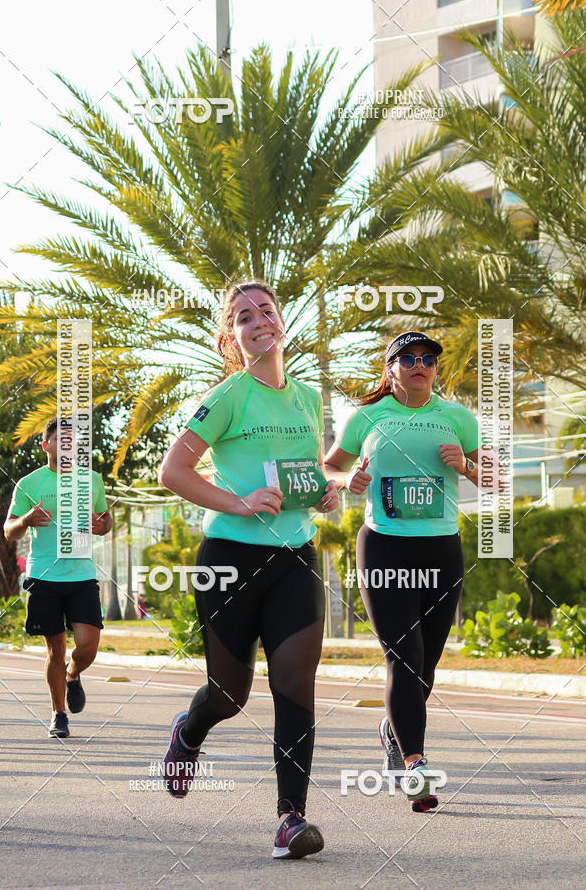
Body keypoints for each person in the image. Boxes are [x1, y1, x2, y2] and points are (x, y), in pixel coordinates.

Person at [158, 280, 338, 859]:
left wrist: (324, 492)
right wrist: (238, 503)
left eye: (266, 310)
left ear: (281, 321)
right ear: (230, 338)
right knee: (228, 695)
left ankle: (291, 818)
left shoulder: (307, 398)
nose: (258, 320)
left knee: (295, 681)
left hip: (296, 558)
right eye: (243, 316)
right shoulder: (229, 395)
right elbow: (173, 471)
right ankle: (189, 732)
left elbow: (304, 474)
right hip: (230, 561)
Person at [324, 331, 484, 812]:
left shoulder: (457, 418)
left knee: (426, 664)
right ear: (390, 368)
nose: (420, 364)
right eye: (409, 358)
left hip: (441, 549)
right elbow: (327, 469)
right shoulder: (366, 417)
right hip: (384, 548)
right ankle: (416, 765)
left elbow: (496, 476)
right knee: (404, 656)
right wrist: (346, 479)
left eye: (428, 359)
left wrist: (467, 466)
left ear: (436, 369)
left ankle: (392, 730)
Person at [4, 418, 112, 738]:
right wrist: (26, 519)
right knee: (56, 648)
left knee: (88, 645)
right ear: (45, 445)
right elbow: (9, 531)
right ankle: (58, 714)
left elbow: (106, 520)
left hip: (81, 574)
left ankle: (73, 674)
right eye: (60, 440)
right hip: (44, 576)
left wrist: (101, 525)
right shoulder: (29, 483)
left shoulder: (92, 480)